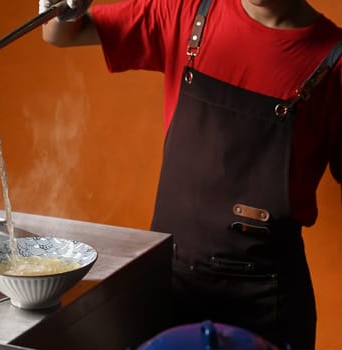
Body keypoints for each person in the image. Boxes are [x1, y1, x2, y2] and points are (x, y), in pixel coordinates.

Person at [38, 0, 342, 349]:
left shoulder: (335, 59)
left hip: (267, 302)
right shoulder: (188, 12)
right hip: (168, 282)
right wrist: (65, 8)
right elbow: (59, 34)